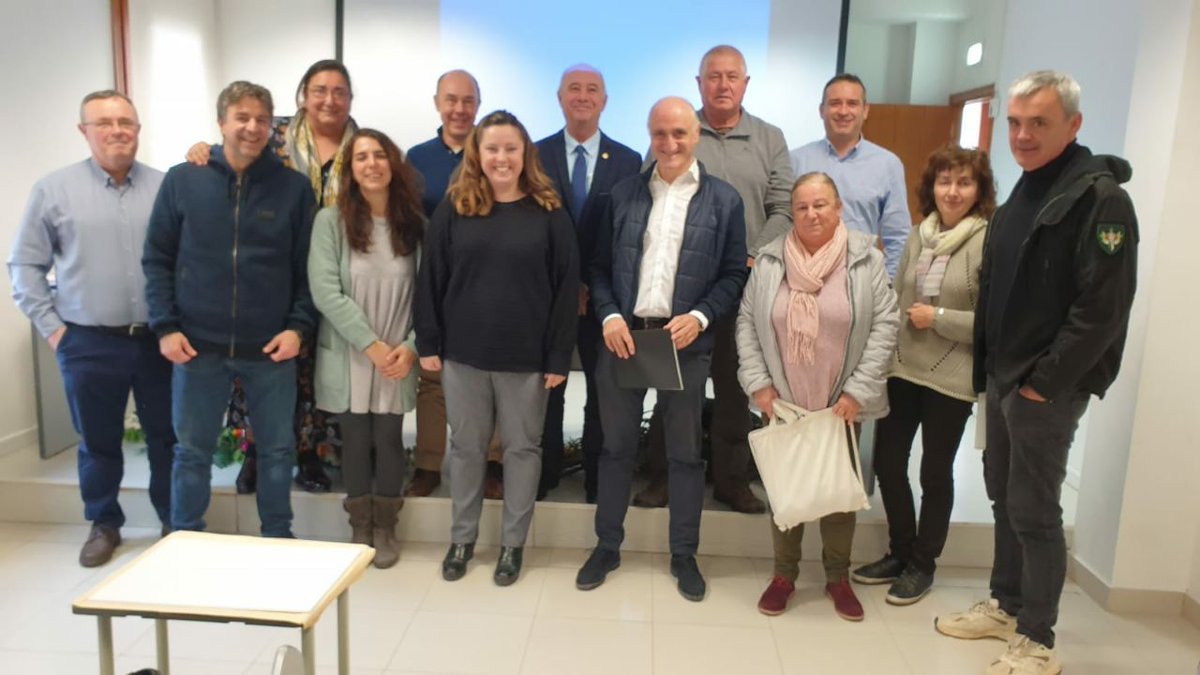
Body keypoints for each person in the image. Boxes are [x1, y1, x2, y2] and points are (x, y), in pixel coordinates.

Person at [935, 71, 1138, 675]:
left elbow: (1101, 309)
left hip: (1045, 387)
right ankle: (1006, 602)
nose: (1022, 135)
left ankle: (1037, 638)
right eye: (1016, 123)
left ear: (1073, 125)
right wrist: (993, 374)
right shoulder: (1026, 190)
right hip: (1004, 378)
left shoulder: (1100, 199)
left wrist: (1043, 384)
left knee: (1035, 508)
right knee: (1003, 496)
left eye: (1039, 123)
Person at [576, 96, 749, 602]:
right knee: (615, 450)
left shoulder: (725, 200)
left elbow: (734, 273)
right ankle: (607, 546)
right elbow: (599, 267)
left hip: (685, 343)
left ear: (696, 135)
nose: (669, 144)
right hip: (626, 338)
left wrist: (699, 317)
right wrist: (608, 314)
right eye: (659, 134)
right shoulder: (622, 194)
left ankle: (683, 555)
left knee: (685, 455)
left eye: (679, 133)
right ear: (649, 136)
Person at [144, 81, 317, 538]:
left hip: (271, 348)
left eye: (262, 118)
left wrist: (298, 326)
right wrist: (165, 327)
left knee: (279, 451)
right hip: (197, 347)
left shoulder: (293, 190)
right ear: (221, 122)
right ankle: (184, 537)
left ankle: (277, 536)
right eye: (242, 117)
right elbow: (157, 259)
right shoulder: (183, 180)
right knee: (192, 452)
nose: (252, 127)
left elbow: (307, 269)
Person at [9, 90, 173, 567]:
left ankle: (172, 521)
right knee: (98, 441)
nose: (117, 130)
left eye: (127, 122)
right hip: (87, 340)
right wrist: (54, 330)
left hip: (157, 340)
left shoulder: (164, 187)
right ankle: (105, 523)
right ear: (84, 131)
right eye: (104, 123)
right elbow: (24, 264)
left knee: (167, 436)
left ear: (139, 129)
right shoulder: (53, 190)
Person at [415, 110, 578, 586]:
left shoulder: (550, 212)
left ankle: (512, 545)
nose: (502, 158)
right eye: (492, 149)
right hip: (463, 357)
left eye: (511, 148)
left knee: (522, 451)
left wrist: (557, 356)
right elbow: (431, 280)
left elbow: (567, 289)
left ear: (525, 154)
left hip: (526, 360)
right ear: (477, 155)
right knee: (465, 449)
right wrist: (428, 342)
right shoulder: (455, 207)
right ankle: (462, 539)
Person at [186, 59, 360, 494]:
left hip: (338, 275)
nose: (329, 99)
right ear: (303, 95)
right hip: (270, 272)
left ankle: (311, 456)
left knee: (319, 369)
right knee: (260, 365)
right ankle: (255, 454)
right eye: (319, 89)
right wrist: (200, 150)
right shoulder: (273, 134)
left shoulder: (362, 145)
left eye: (339, 91)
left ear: (350, 99)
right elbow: (228, 155)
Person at [635, 44, 792, 515]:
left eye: (732, 77)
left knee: (733, 386)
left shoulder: (769, 138)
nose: (723, 85)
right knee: (671, 386)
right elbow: (649, 195)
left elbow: (783, 207)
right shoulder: (677, 131)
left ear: (745, 84)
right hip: (677, 294)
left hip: (741, 286)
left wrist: (751, 256)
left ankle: (731, 481)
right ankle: (662, 476)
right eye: (713, 77)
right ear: (698, 83)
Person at [736, 172, 898, 621]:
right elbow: (748, 323)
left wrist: (857, 391)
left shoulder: (865, 261)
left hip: (840, 403)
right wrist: (759, 384)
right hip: (783, 401)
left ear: (839, 207)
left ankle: (837, 578)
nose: (811, 214)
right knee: (785, 492)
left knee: (837, 494)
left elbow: (885, 326)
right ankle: (784, 575)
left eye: (821, 204)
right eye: (803, 206)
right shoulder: (771, 261)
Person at [851, 145, 995, 605]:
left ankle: (923, 565)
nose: (953, 191)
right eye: (944, 181)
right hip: (903, 368)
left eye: (964, 182)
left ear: (980, 190)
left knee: (935, 472)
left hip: (951, 377)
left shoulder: (987, 241)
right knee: (888, 465)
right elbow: (898, 297)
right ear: (931, 187)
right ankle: (899, 551)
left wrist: (938, 318)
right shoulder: (919, 234)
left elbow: (993, 321)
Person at [309, 129, 424, 568]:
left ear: (393, 164)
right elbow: (325, 291)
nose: (371, 164)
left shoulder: (415, 224)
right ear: (350, 169)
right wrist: (370, 344)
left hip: (397, 354)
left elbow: (428, 297)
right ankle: (360, 524)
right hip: (351, 351)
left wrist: (409, 347)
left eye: (379, 155)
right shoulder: (330, 222)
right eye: (361, 157)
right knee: (355, 439)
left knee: (390, 439)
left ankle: (387, 526)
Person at [534, 64, 642, 503]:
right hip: (545, 296)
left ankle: (598, 479)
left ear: (605, 100)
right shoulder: (534, 155)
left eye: (592, 89)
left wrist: (589, 286)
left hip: (604, 300)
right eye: (573, 89)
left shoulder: (629, 160)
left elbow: (626, 234)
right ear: (559, 98)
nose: (583, 95)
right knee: (549, 385)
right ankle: (545, 474)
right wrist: (565, 284)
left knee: (603, 389)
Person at [406, 70, 507, 499]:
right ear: (437, 103)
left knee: (493, 372)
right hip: (435, 279)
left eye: (468, 101)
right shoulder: (417, 157)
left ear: (478, 105)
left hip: (485, 281)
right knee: (432, 375)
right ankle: (428, 463)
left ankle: (493, 461)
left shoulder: (493, 153)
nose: (459, 109)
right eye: (451, 100)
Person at [790, 73, 911, 277]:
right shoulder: (795, 161)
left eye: (852, 104)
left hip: (861, 280)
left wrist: (888, 284)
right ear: (822, 111)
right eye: (835, 103)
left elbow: (898, 237)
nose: (843, 111)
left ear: (865, 110)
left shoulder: (888, 165)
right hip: (804, 277)